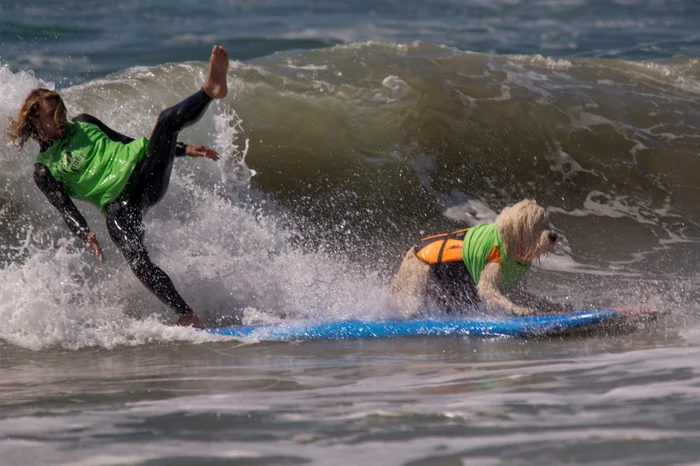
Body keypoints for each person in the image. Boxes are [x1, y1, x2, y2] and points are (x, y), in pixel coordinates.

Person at [7, 45, 231, 329]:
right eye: (52, 114)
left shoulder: (84, 123)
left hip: (143, 175)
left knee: (166, 122)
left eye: (61, 110)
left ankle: (209, 91)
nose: (61, 118)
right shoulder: (45, 169)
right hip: (119, 207)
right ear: (34, 118)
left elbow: (129, 142)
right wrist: (84, 232)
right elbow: (66, 208)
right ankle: (187, 314)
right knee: (137, 261)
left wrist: (183, 149)